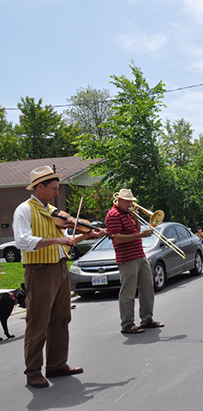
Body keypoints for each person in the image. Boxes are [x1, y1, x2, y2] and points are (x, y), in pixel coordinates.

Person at [13, 166, 107, 388]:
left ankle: (56, 364)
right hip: (39, 270)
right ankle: (33, 371)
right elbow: (23, 241)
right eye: (54, 189)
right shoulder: (24, 210)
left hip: (60, 267)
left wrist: (88, 234)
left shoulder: (54, 211)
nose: (57, 192)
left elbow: (67, 237)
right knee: (38, 322)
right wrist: (58, 241)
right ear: (40, 187)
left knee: (61, 317)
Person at [106, 189, 164, 335]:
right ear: (119, 200)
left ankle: (147, 319)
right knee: (128, 292)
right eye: (127, 201)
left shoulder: (127, 214)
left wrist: (136, 219)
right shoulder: (113, 215)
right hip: (127, 257)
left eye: (131, 201)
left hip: (139, 255)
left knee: (147, 289)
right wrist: (140, 235)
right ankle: (127, 324)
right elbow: (117, 237)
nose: (130, 204)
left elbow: (135, 230)